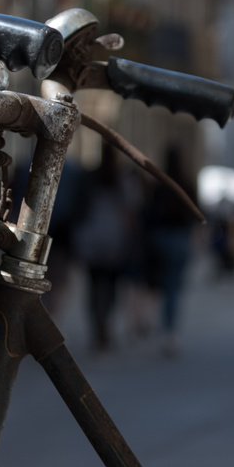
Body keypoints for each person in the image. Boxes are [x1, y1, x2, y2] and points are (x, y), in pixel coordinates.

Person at [72, 146, 139, 351]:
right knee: (110, 287)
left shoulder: (91, 178)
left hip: (92, 240)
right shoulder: (122, 179)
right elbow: (131, 211)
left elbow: (79, 208)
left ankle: (98, 327)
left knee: (93, 287)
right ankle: (105, 326)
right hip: (114, 242)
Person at [144, 146, 199, 357]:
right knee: (173, 287)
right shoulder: (186, 185)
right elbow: (195, 213)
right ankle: (170, 331)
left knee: (164, 285)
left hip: (161, 238)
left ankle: (165, 328)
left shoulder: (159, 185)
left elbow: (148, 213)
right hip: (179, 239)